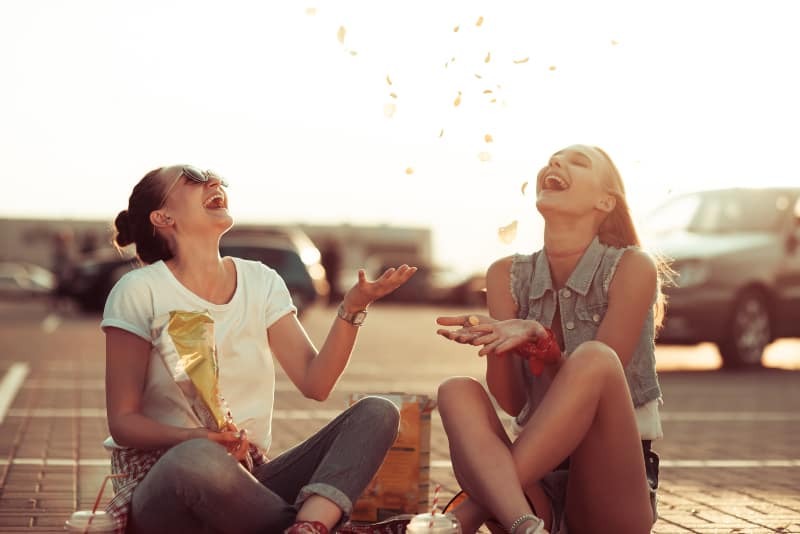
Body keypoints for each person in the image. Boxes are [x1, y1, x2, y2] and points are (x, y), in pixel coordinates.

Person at [101, 164, 417, 534]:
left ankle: (309, 526)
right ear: (163, 216)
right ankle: (313, 525)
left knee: (378, 413)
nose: (214, 182)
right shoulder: (139, 290)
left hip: (246, 480)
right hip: (165, 483)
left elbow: (316, 383)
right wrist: (198, 438)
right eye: (193, 178)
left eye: (213, 176)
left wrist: (353, 308)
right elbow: (123, 424)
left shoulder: (261, 281)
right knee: (196, 459)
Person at [435, 145, 666, 534]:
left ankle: (467, 516)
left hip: (610, 488)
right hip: (529, 491)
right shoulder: (504, 274)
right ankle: (525, 526)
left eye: (578, 161)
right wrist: (496, 345)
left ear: (605, 200)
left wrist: (541, 340)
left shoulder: (631, 266)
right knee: (456, 390)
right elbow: (512, 402)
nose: (555, 163)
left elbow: (599, 380)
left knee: (594, 357)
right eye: (554, 158)